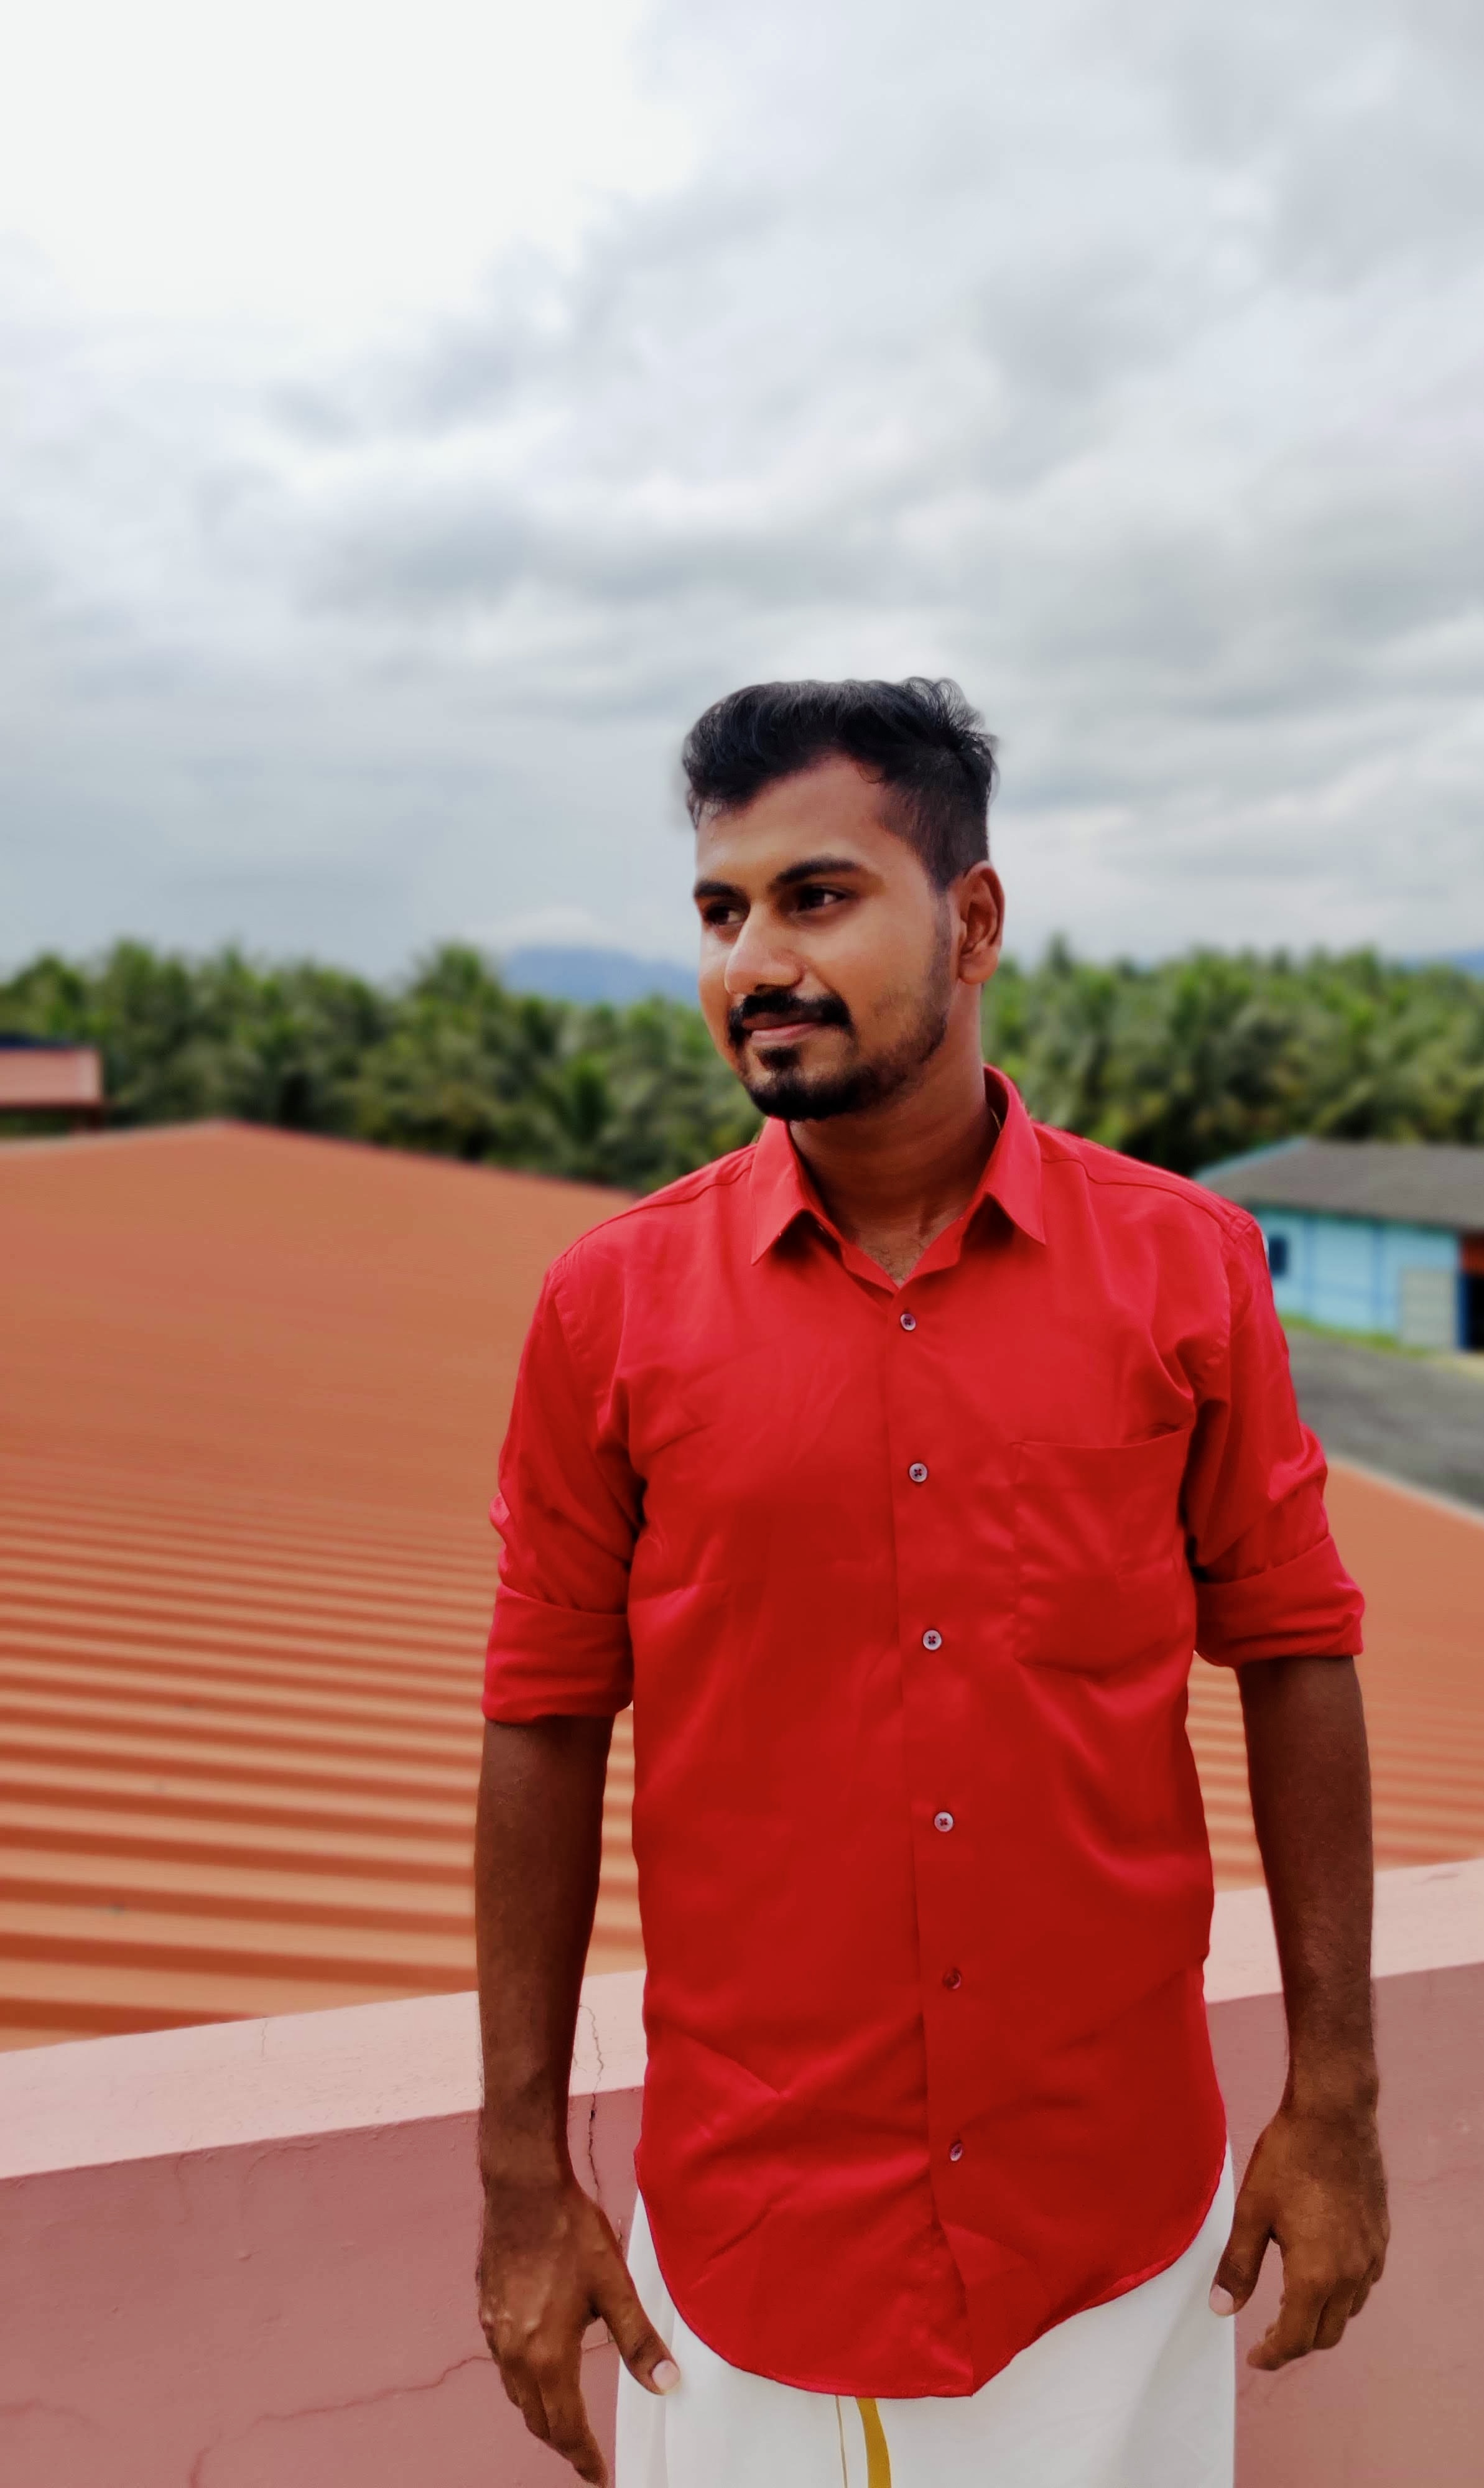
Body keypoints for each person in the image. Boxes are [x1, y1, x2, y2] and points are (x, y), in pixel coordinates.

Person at [474, 677, 1388, 2488]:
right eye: (721, 911)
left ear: (972, 923)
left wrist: (1339, 2096)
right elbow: (542, 1720)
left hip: (1118, 2241)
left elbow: (1297, 1651)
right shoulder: (610, 1311)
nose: (755, 962)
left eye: (817, 898)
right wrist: (519, 2176)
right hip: (752, 2254)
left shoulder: (1185, 1270)